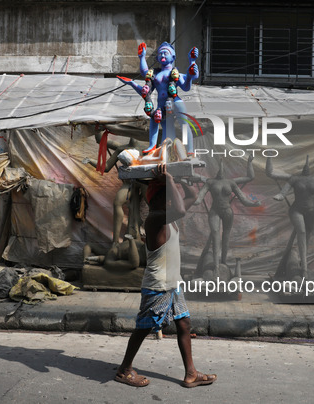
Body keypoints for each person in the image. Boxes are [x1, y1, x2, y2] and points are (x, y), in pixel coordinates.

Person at [115, 164, 217, 388]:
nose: (174, 199)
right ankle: (124, 370)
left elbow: (190, 197)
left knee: (184, 324)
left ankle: (191, 374)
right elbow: (180, 208)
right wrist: (170, 179)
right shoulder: (154, 219)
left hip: (173, 284)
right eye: (169, 195)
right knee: (144, 327)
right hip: (158, 286)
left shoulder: (170, 219)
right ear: (159, 200)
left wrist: (179, 178)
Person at [266, 153, 314, 278]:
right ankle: (305, 269)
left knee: (307, 237)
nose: (306, 167)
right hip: (296, 210)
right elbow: (274, 178)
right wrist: (280, 196)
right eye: (304, 166)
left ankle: (303, 263)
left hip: (311, 212)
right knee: (301, 232)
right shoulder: (294, 179)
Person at [118, 42, 199, 154]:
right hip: (162, 106)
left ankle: (190, 150)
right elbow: (145, 90)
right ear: (157, 58)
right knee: (163, 129)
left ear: (173, 57)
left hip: (176, 102)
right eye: (160, 54)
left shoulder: (175, 73)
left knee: (184, 124)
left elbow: (186, 87)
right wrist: (132, 82)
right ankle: (157, 148)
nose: (163, 55)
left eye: (166, 53)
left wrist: (191, 69)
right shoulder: (155, 74)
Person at [193, 156, 260, 277]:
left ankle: (223, 262)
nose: (221, 170)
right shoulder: (210, 182)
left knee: (226, 237)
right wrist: (191, 200)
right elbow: (199, 197)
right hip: (215, 211)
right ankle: (217, 266)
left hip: (227, 211)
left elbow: (245, 194)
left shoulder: (231, 182)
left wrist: (253, 204)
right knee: (215, 235)